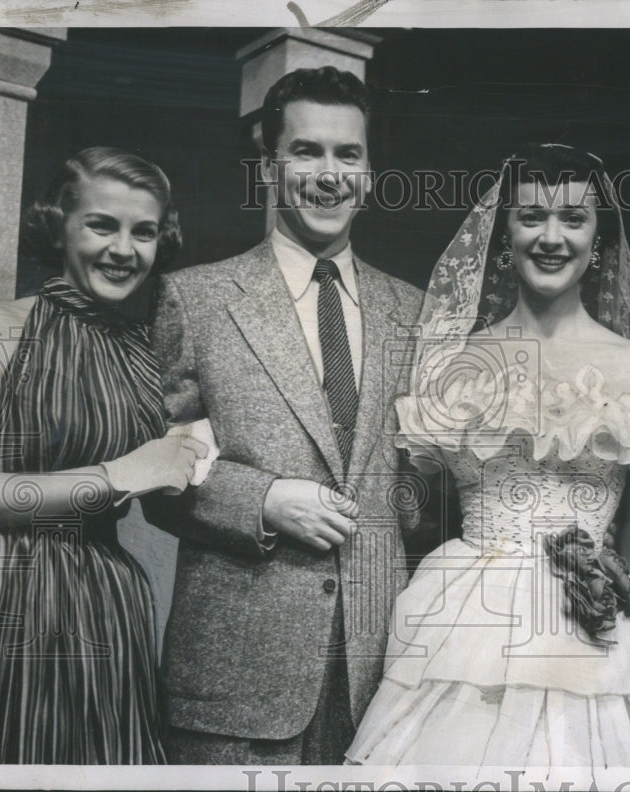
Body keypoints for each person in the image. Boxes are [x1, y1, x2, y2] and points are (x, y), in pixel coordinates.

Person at [346, 144, 630, 770]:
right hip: (462, 616)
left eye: (573, 218)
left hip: (589, 624)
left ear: (599, 239)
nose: (551, 237)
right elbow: (417, 512)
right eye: (531, 216)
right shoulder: (452, 366)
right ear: (504, 231)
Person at [150, 66, 424, 765]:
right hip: (234, 685)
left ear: (369, 173)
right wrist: (262, 500)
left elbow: (425, 493)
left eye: (348, 154)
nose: (329, 174)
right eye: (306, 151)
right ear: (269, 163)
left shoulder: (417, 313)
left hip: (382, 677)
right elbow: (150, 468)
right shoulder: (197, 299)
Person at [0, 147, 205, 764]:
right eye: (101, 225)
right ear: (58, 225)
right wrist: (119, 476)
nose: (123, 250)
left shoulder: (149, 357)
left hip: (109, 606)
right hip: (4, 598)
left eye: (144, 232)